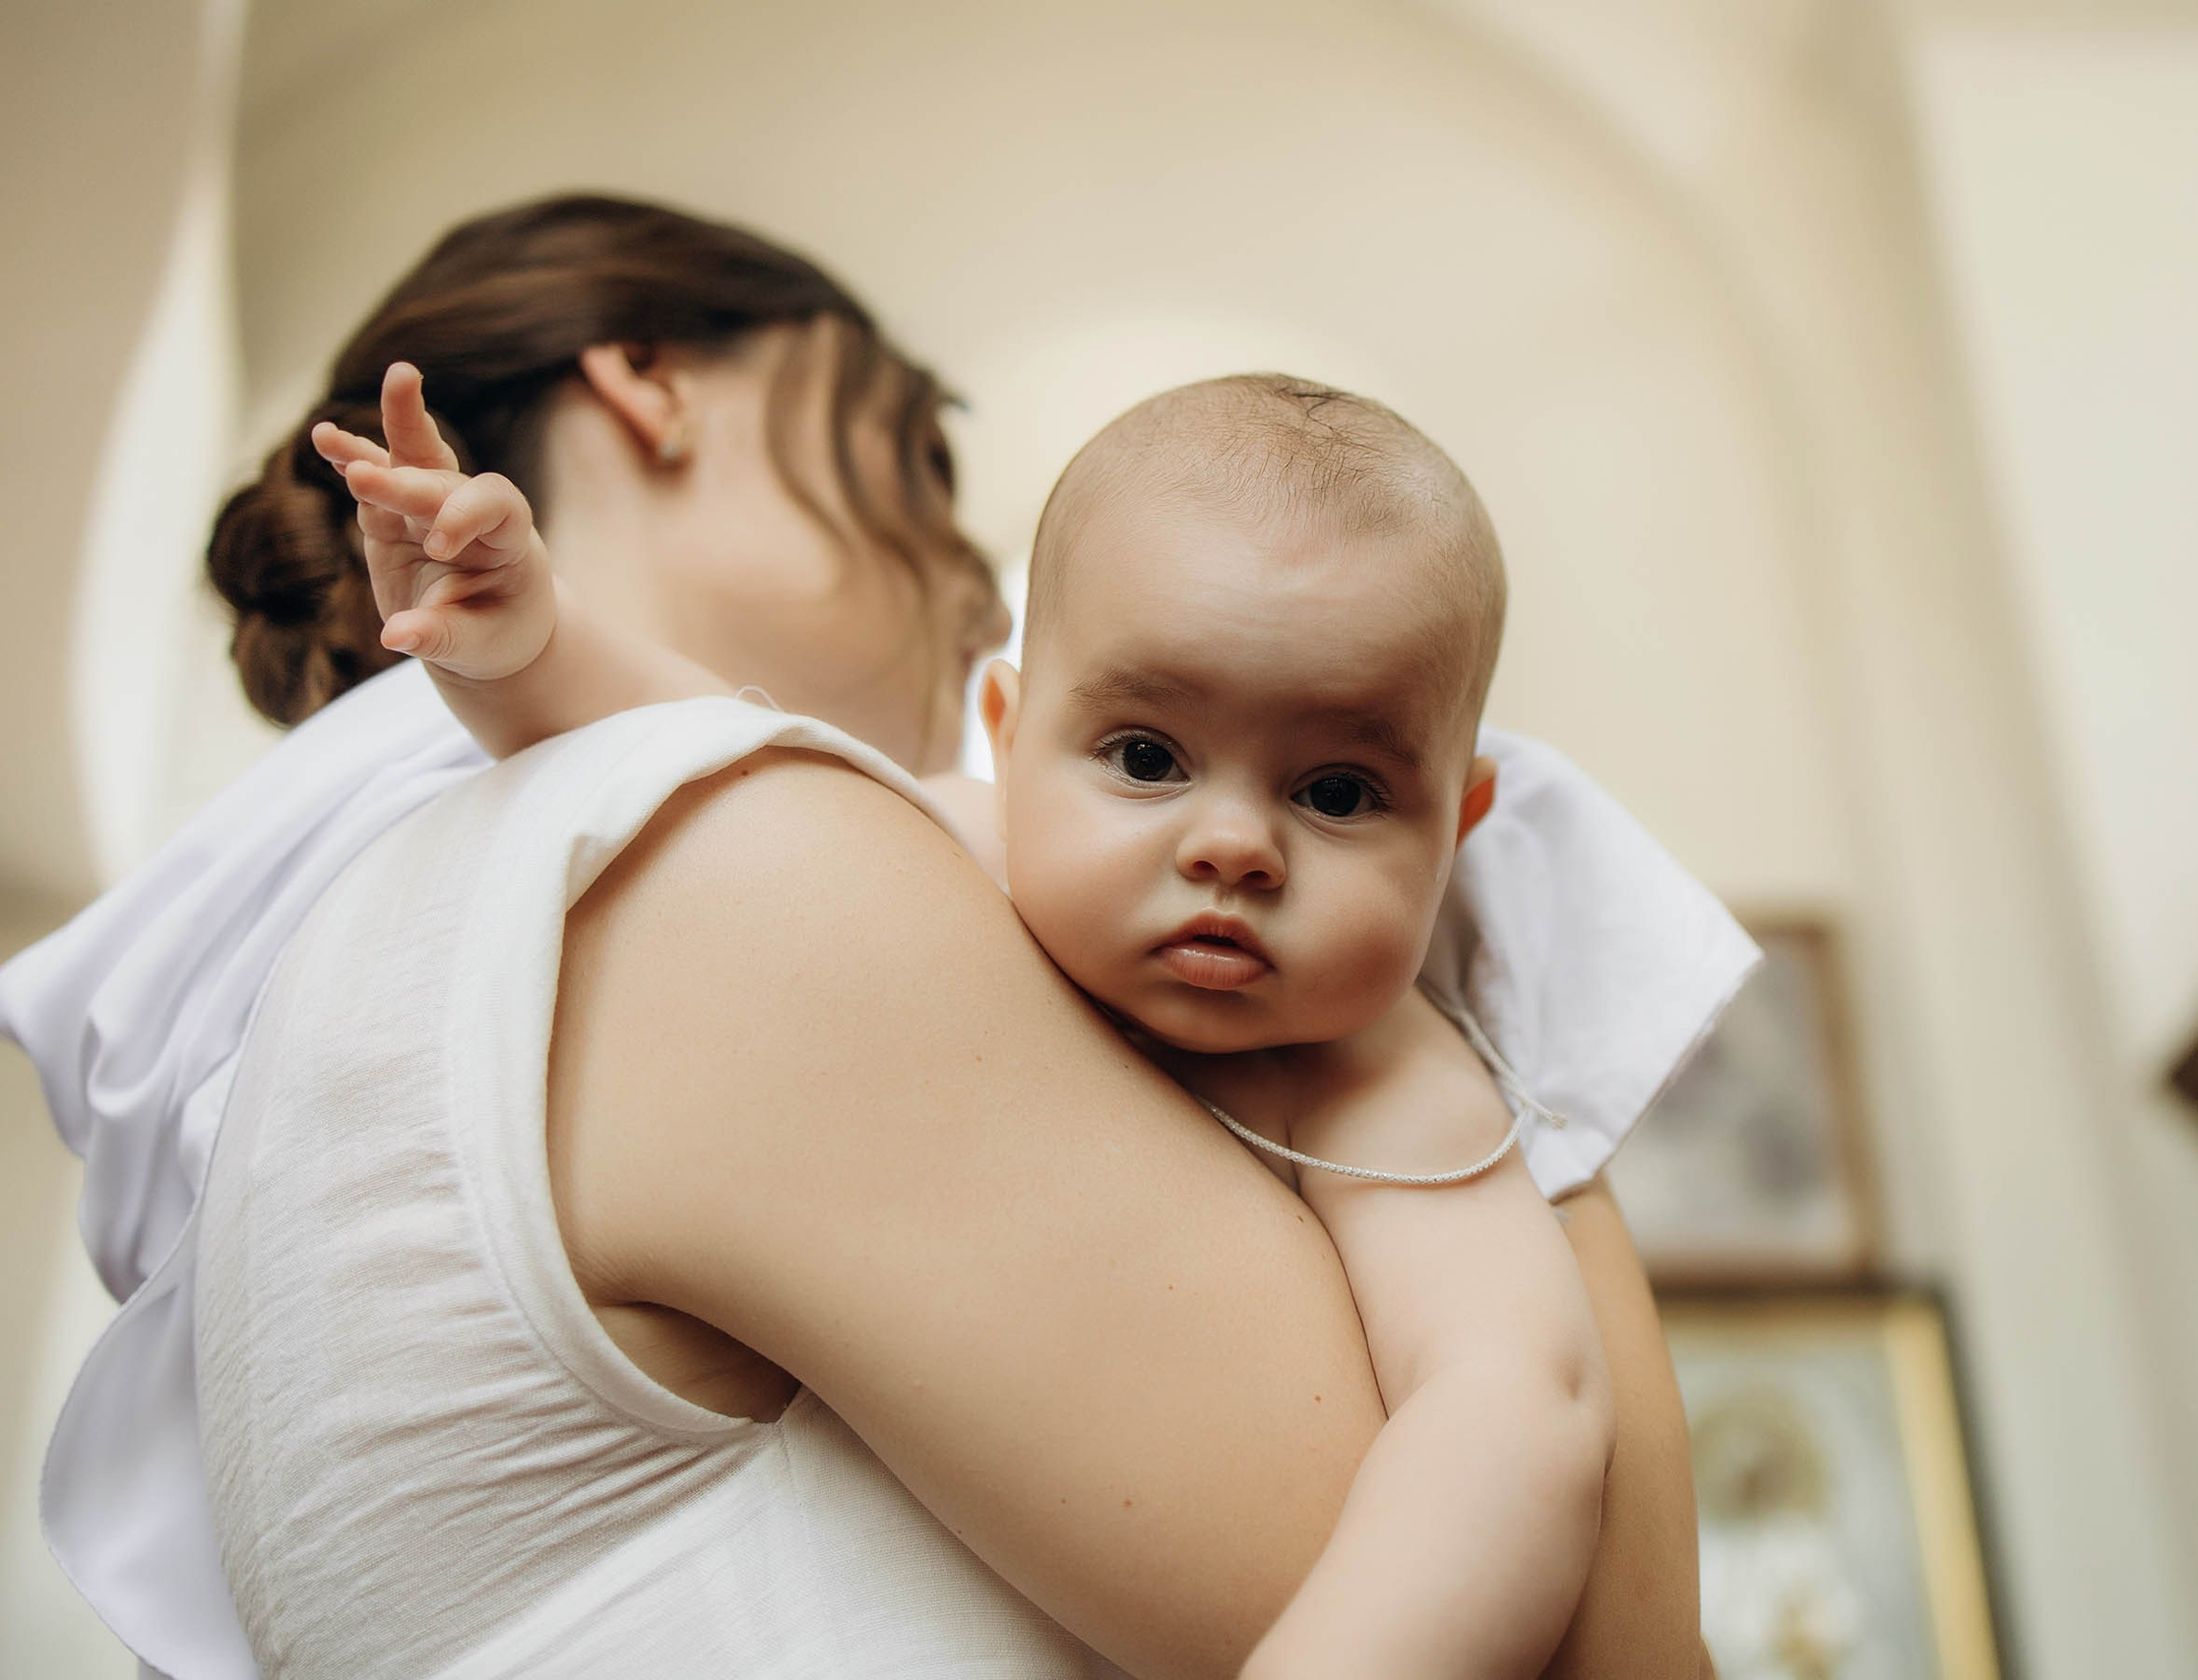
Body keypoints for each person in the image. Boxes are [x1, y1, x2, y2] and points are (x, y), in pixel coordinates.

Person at [2, 195, 1745, 1678]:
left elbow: (1515, 1416)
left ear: (1460, 822)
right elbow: (1615, 1645)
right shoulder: (788, 865)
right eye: (1145, 756)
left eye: (1343, 790)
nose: (1233, 844)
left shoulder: (1387, 1074)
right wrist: (532, 650)